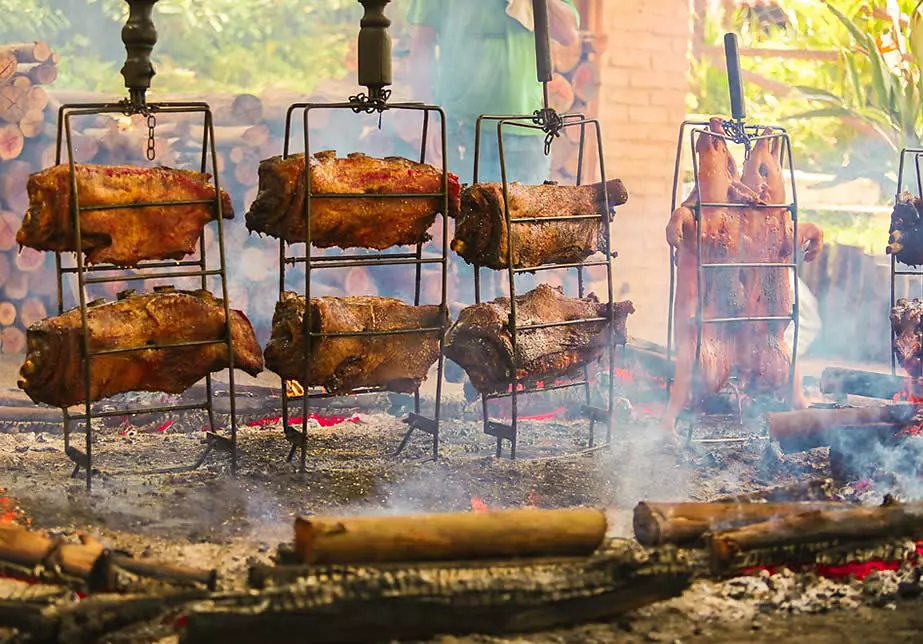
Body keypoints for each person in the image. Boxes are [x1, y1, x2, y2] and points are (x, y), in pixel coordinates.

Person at [405, 0, 580, 186]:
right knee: (460, 212)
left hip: (527, 132)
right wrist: (426, 119)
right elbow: (422, 47)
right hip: (460, 130)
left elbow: (568, 34)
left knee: (524, 214)